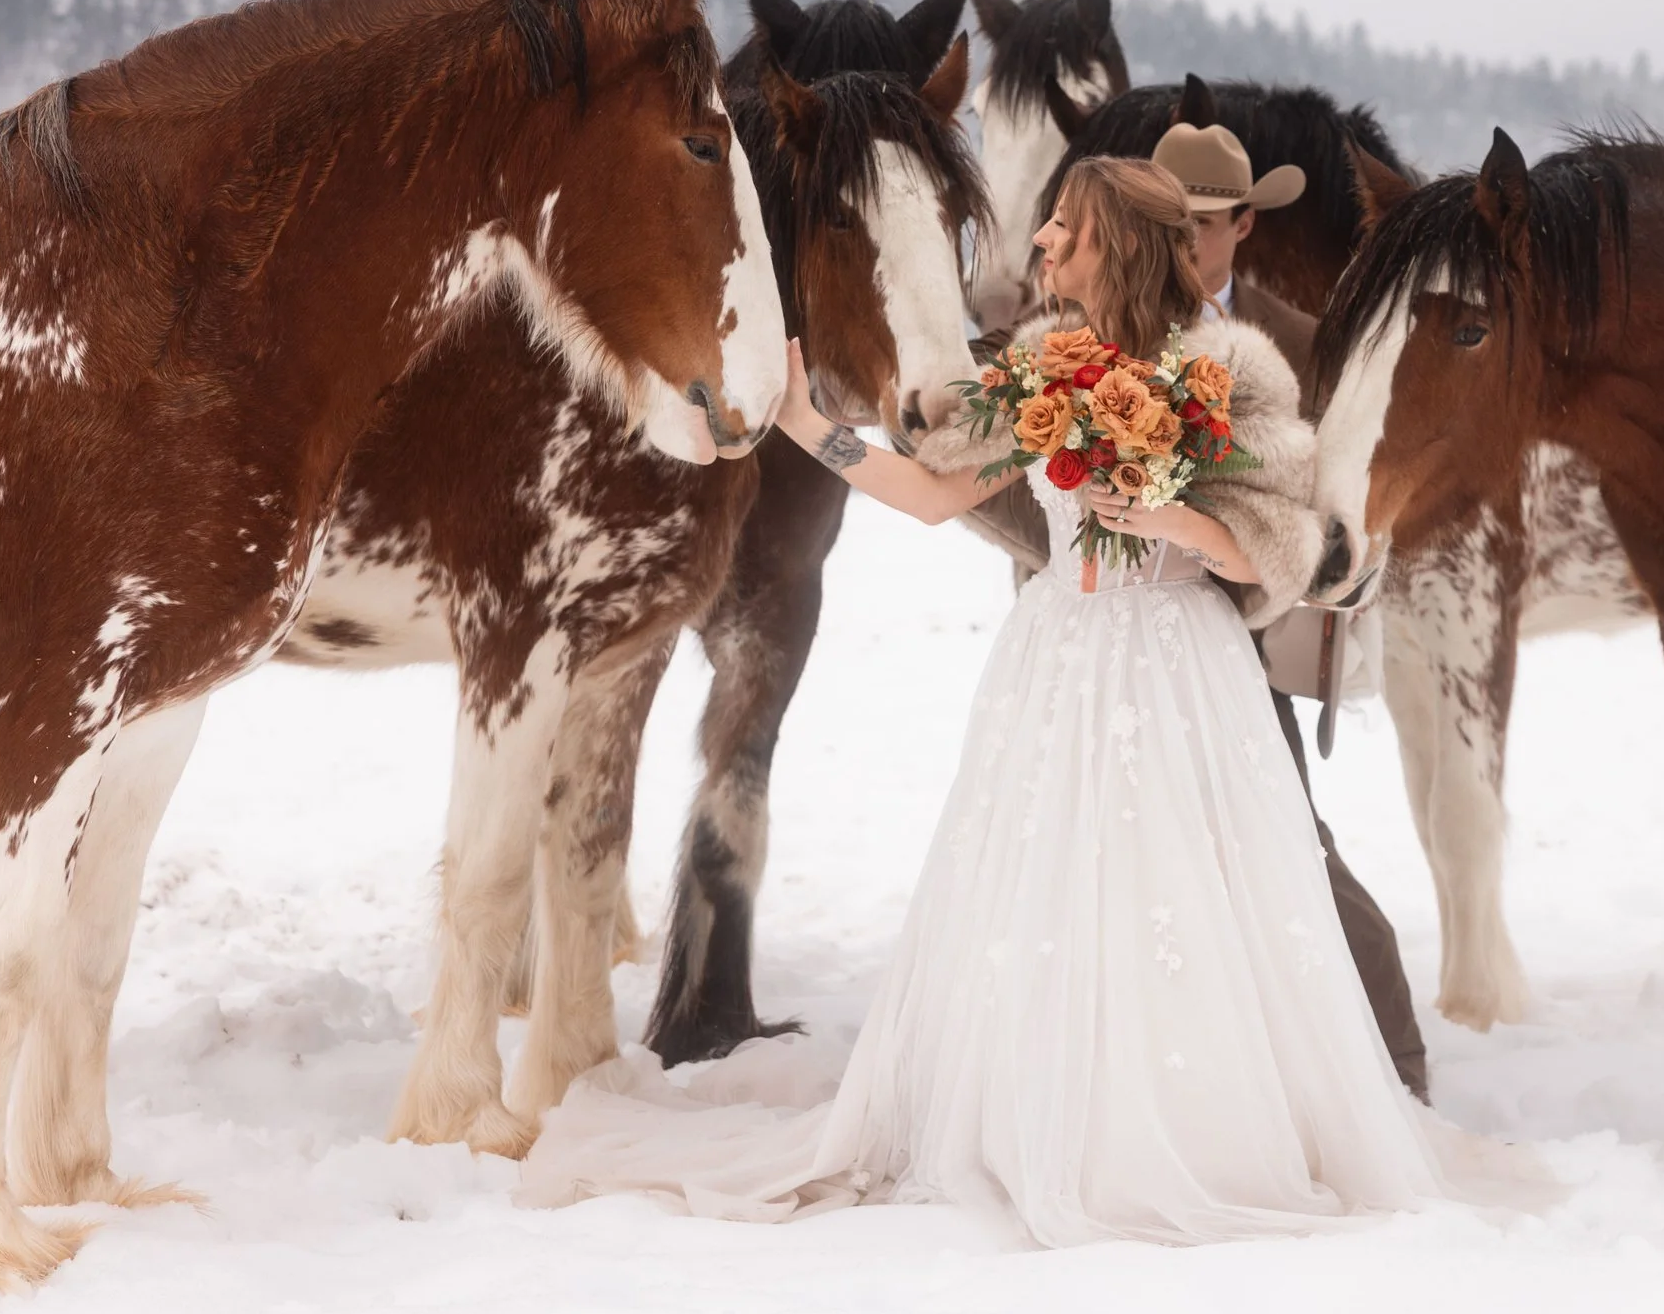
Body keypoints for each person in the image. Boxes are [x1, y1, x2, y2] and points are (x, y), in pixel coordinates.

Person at [518, 159, 1534, 1246]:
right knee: (1048, 888)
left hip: (1181, 666)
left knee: (1184, 893)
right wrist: (812, 426)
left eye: (1064, 227)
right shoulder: (1044, 367)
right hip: (1057, 660)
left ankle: (1192, 1129)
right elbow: (931, 490)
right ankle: (1038, 1118)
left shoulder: (1225, 371)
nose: (1041, 242)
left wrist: (1177, 522)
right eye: (1047, 224)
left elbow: (1283, 544)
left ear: (1118, 246)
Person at [1148, 119, 1430, 1100]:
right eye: (1171, 220)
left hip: (1241, 643)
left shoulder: (1301, 348)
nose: (1191, 241)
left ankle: (1393, 1067)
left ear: (1244, 225)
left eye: (1211, 221)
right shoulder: (1101, 336)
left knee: (1294, 848)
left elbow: (1342, 490)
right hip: (1110, 640)